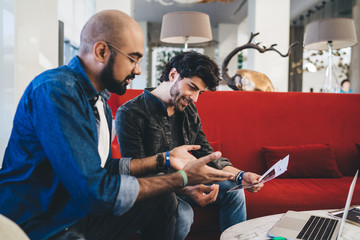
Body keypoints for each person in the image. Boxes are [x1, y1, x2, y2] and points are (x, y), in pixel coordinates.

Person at [0, 10, 235, 240]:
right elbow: (96, 191)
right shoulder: (57, 91)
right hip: (42, 222)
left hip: (77, 213)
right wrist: (183, 178)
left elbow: (101, 167)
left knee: (162, 201)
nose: (138, 69)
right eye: (133, 58)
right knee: (164, 196)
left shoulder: (99, 100)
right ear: (102, 51)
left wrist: (164, 159)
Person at [115, 51, 264, 239]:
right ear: (173, 75)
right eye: (192, 87)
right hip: (158, 192)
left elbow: (205, 153)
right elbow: (136, 173)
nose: (195, 98)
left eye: (200, 92)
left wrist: (241, 175)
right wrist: (184, 186)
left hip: (190, 181)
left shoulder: (188, 108)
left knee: (235, 192)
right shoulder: (130, 113)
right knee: (184, 215)